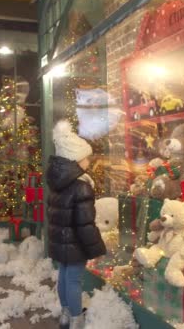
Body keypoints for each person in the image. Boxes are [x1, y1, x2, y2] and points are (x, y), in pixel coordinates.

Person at [46, 120, 107, 329]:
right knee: (74, 281)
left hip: (61, 241)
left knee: (64, 277)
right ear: (75, 160)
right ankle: (76, 319)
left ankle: (65, 314)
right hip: (75, 243)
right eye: (85, 157)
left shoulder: (58, 183)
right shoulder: (81, 186)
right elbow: (85, 224)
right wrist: (96, 247)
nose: (88, 161)